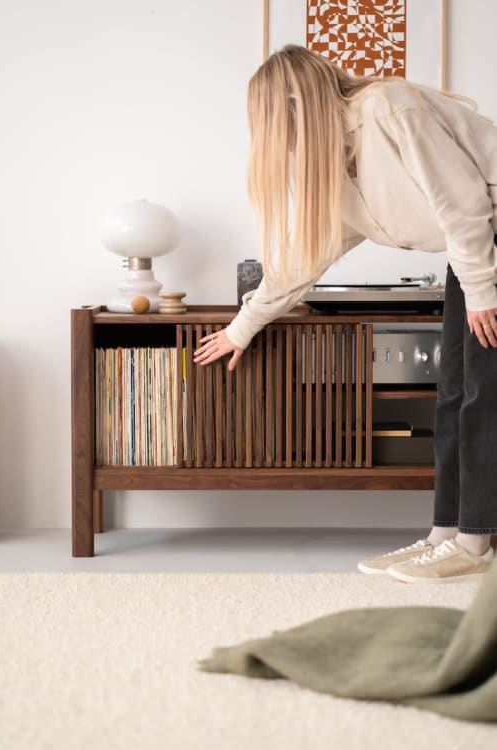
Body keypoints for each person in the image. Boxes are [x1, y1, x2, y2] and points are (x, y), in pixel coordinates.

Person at [193, 44, 497, 583]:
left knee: (484, 393)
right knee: (452, 392)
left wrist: (481, 289)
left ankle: (475, 545)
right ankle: (445, 534)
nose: (271, 138)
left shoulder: (388, 108)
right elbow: (302, 260)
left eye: (271, 121)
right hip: (472, 250)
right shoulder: (337, 168)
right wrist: (243, 327)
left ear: (294, 104)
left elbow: (464, 200)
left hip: (483, 238)